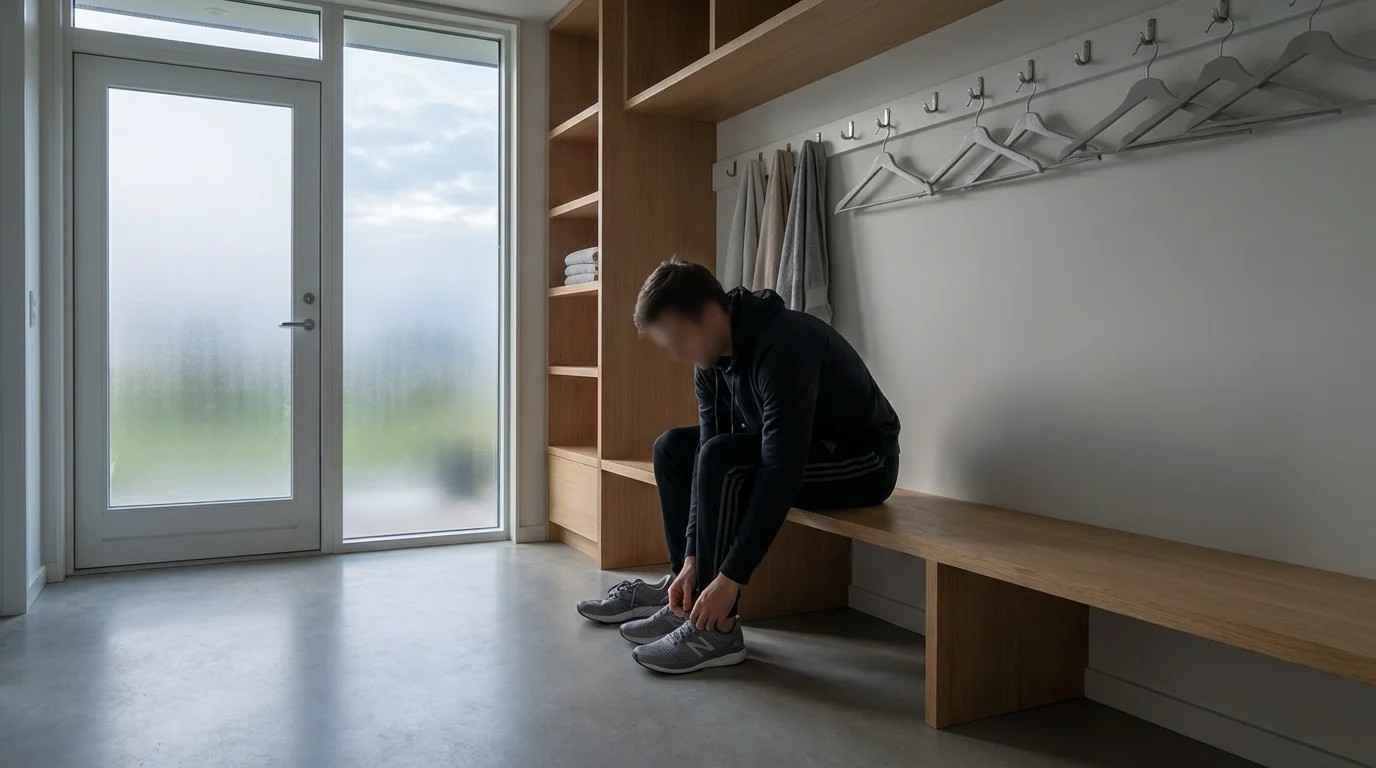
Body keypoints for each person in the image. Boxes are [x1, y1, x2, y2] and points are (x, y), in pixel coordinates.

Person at [576, 260, 901, 674]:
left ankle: (718, 628)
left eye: (677, 338)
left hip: (863, 463)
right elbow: (706, 452)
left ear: (711, 314)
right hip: (797, 455)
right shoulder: (709, 365)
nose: (675, 353)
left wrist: (730, 579)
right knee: (674, 448)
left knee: (722, 460)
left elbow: (781, 469)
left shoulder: (785, 344)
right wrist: (692, 558)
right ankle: (685, 598)